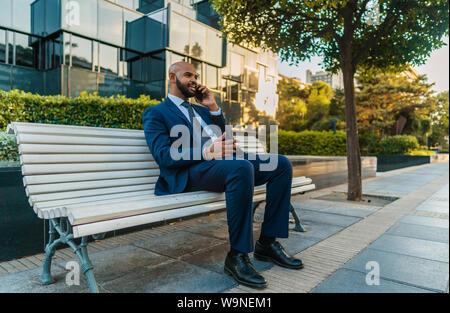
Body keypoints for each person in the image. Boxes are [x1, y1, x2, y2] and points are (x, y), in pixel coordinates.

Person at [143, 62, 303, 289]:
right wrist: (207, 152)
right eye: (188, 75)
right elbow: (163, 155)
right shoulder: (156, 112)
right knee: (240, 168)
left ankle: (267, 243)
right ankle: (237, 256)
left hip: (222, 164)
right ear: (172, 77)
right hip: (190, 171)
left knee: (280, 164)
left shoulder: (201, 109)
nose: (194, 80)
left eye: (196, 76)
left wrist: (213, 107)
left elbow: (226, 136)